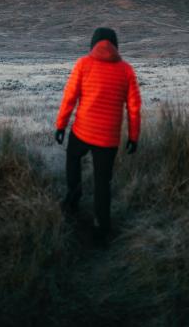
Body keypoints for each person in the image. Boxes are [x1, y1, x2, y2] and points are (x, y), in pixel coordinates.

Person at [54, 27, 141, 245]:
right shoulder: (126, 70)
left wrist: (61, 126)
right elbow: (134, 108)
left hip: (82, 131)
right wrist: (133, 137)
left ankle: (73, 201)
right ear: (116, 45)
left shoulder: (83, 64)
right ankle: (102, 229)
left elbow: (69, 98)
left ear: (93, 43)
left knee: (73, 159)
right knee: (103, 182)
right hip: (108, 139)